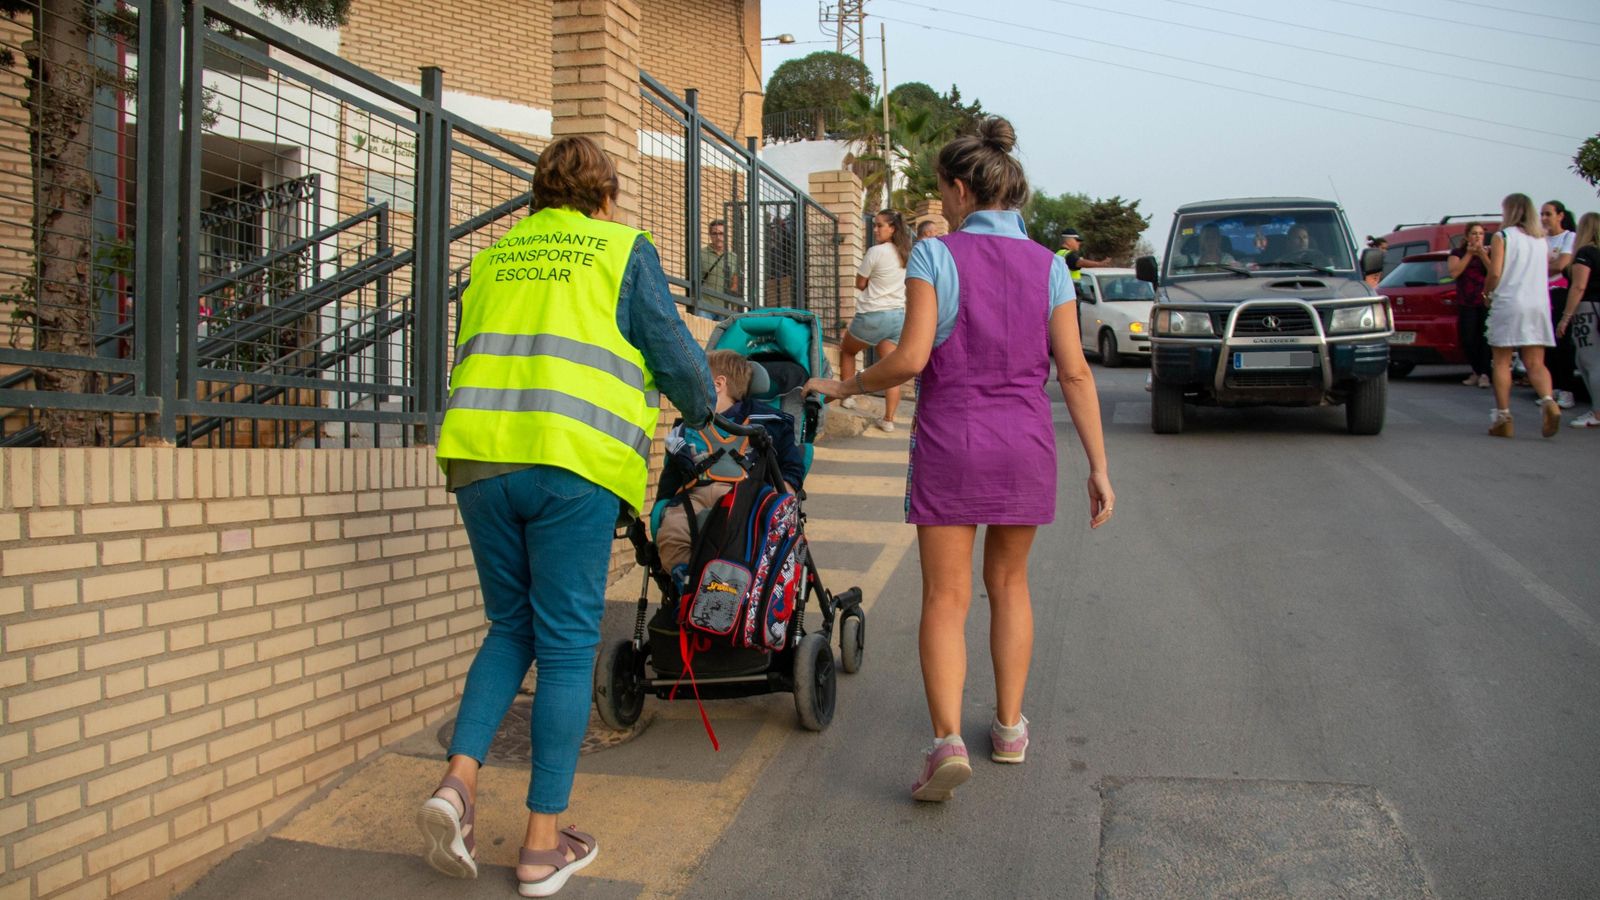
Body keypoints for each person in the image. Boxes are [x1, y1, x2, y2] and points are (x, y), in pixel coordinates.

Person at [423, 135, 714, 897]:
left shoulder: (492, 259)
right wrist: (705, 405)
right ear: (605, 196)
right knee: (563, 644)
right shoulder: (620, 249)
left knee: (509, 626)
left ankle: (457, 783)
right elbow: (679, 360)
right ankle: (541, 845)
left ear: (537, 195)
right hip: (571, 466)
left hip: (480, 460)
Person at [804, 116, 1114, 802]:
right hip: (1026, 447)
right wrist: (1097, 465)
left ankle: (946, 742)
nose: (938, 204)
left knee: (945, 597)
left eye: (942, 190)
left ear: (961, 187)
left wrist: (849, 384)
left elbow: (910, 360)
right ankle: (1008, 729)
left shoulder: (935, 256)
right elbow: (1076, 374)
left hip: (953, 442)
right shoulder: (1050, 266)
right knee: (1010, 586)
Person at [656, 350, 806, 578]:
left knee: (738, 536)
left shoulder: (770, 423)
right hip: (692, 497)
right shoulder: (687, 427)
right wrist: (663, 502)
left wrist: (783, 496)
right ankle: (685, 581)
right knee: (673, 531)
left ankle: (726, 586)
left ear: (717, 384)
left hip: (744, 497)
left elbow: (791, 465)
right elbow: (672, 473)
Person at [1483, 193, 1559, 438]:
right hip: (1538, 303)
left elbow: (1495, 273)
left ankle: (1503, 415)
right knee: (1536, 361)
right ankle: (1548, 401)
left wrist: (1486, 292)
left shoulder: (1502, 237)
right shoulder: (1540, 240)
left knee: (1502, 361)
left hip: (1510, 301)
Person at [838, 209, 912, 432]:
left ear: (893, 228)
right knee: (890, 368)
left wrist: (874, 286)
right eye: (875, 225)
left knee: (848, 351)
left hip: (872, 315)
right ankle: (888, 420)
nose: (876, 229)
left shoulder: (876, 252)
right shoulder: (906, 254)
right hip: (897, 317)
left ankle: (847, 396)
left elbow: (860, 284)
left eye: (880, 225)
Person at [1556, 211, 1600, 428]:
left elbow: (1579, 286)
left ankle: (1597, 412)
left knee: (1590, 361)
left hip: (1588, 309)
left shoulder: (1585, 253)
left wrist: (1566, 317)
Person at [1540, 200, 1578, 408]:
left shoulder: (1568, 237)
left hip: (1560, 293)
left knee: (1562, 342)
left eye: (1548, 214)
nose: (1544, 218)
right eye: (1542, 215)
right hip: (1541, 294)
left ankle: (1567, 389)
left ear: (1560, 215)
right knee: (1547, 342)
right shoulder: (1540, 239)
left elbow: (1562, 264)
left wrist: (1543, 267)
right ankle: (1552, 387)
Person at [1448, 222, 1492, 387]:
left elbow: (1493, 271)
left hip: (1484, 300)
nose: (1477, 237)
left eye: (1480, 234)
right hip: (1466, 300)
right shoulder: (1457, 253)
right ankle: (1476, 370)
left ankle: (1484, 374)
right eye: (1474, 233)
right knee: (1468, 338)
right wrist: (1469, 254)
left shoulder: (1489, 252)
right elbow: (1454, 272)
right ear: (1467, 236)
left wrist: (1482, 255)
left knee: (1484, 338)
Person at [1056, 227, 1111, 295]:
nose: (1079, 243)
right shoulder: (1069, 255)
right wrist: (1099, 264)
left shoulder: (1059, 253)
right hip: (1069, 291)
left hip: (1062, 290)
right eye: (1077, 240)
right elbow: (1080, 262)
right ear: (1068, 241)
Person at [700, 218, 741, 297]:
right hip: (704, 305)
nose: (718, 237)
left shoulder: (733, 257)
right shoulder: (701, 254)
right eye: (715, 233)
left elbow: (735, 284)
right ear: (710, 235)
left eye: (721, 233)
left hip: (725, 306)